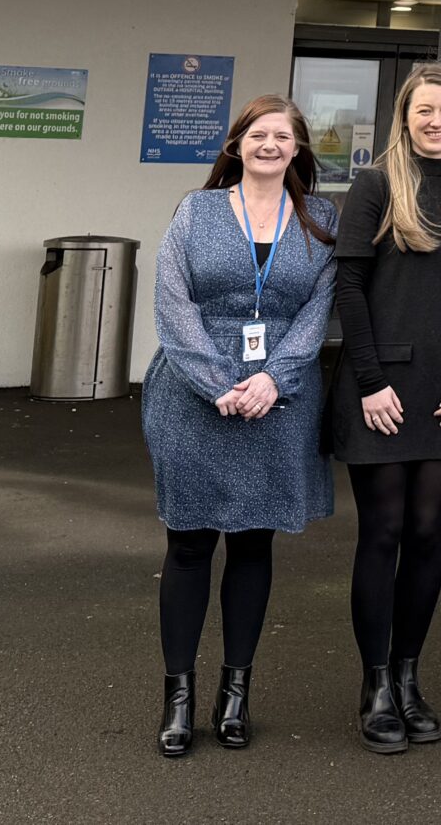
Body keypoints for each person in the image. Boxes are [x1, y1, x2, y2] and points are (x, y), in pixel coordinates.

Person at [140, 95, 338, 757]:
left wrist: (272, 378)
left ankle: (235, 692)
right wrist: (218, 381)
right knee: (189, 546)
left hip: (277, 404)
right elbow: (172, 300)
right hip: (196, 401)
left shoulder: (320, 220)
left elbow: (318, 312)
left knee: (254, 546)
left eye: (283, 135)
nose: (270, 143)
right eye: (259, 133)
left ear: (299, 150)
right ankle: (178, 695)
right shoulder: (196, 212)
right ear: (237, 143)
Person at [325, 62, 441, 753]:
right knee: (383, 532)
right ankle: (374, 686)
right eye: (424, 111)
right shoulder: (375, 184)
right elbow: (349, 286)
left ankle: (408, 676)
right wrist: (369, 381)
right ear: (405, 117)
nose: (437, 121)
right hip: (382, 388)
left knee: (427, 534)